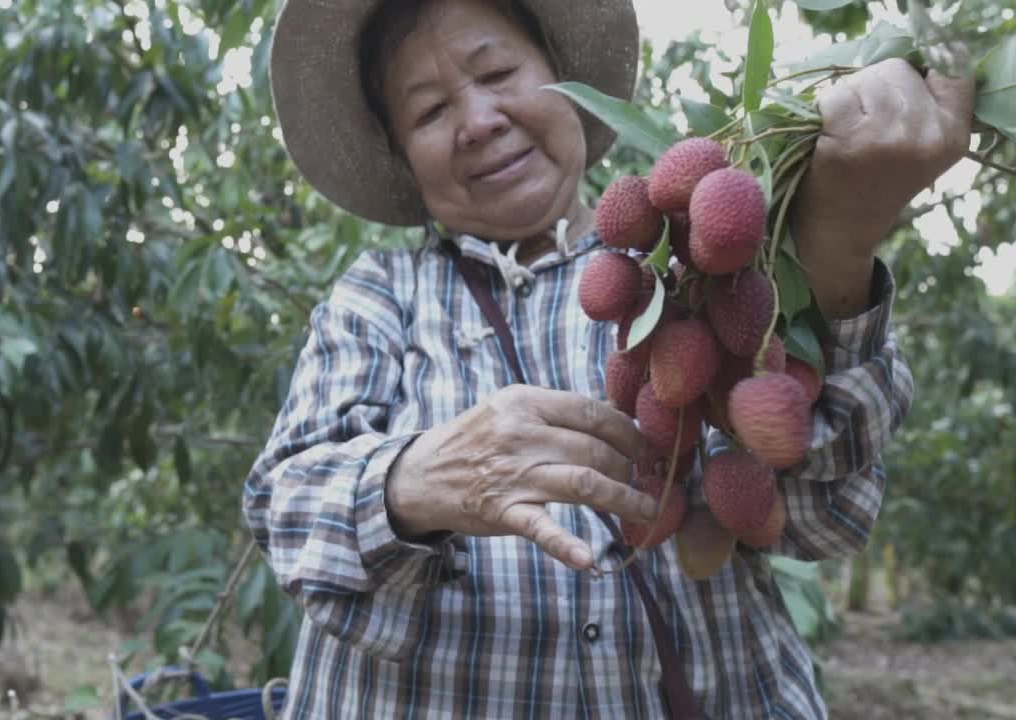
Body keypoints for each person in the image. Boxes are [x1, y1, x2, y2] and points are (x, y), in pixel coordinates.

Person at [243, 0, 974, 717]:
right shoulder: (381, 295)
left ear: (559, 76)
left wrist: (839, 249)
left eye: (496, 72)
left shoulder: (700, 272)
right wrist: (419, 480)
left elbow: (824, 522)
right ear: (404, 154)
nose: (478, 121)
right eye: (429, 112)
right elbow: (286, 511)